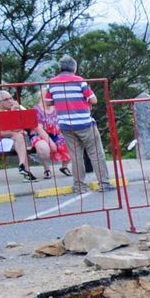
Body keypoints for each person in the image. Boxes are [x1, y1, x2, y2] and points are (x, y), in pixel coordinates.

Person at [44, 54, 114, 194]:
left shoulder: (51, 83)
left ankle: (79, 186)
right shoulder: (79, 81)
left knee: (76, 156)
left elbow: (48, 102)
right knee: (96, 153)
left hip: (65, 125)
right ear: (74, 68)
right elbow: (93, 100)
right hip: (84, 123)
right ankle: (104, 183)